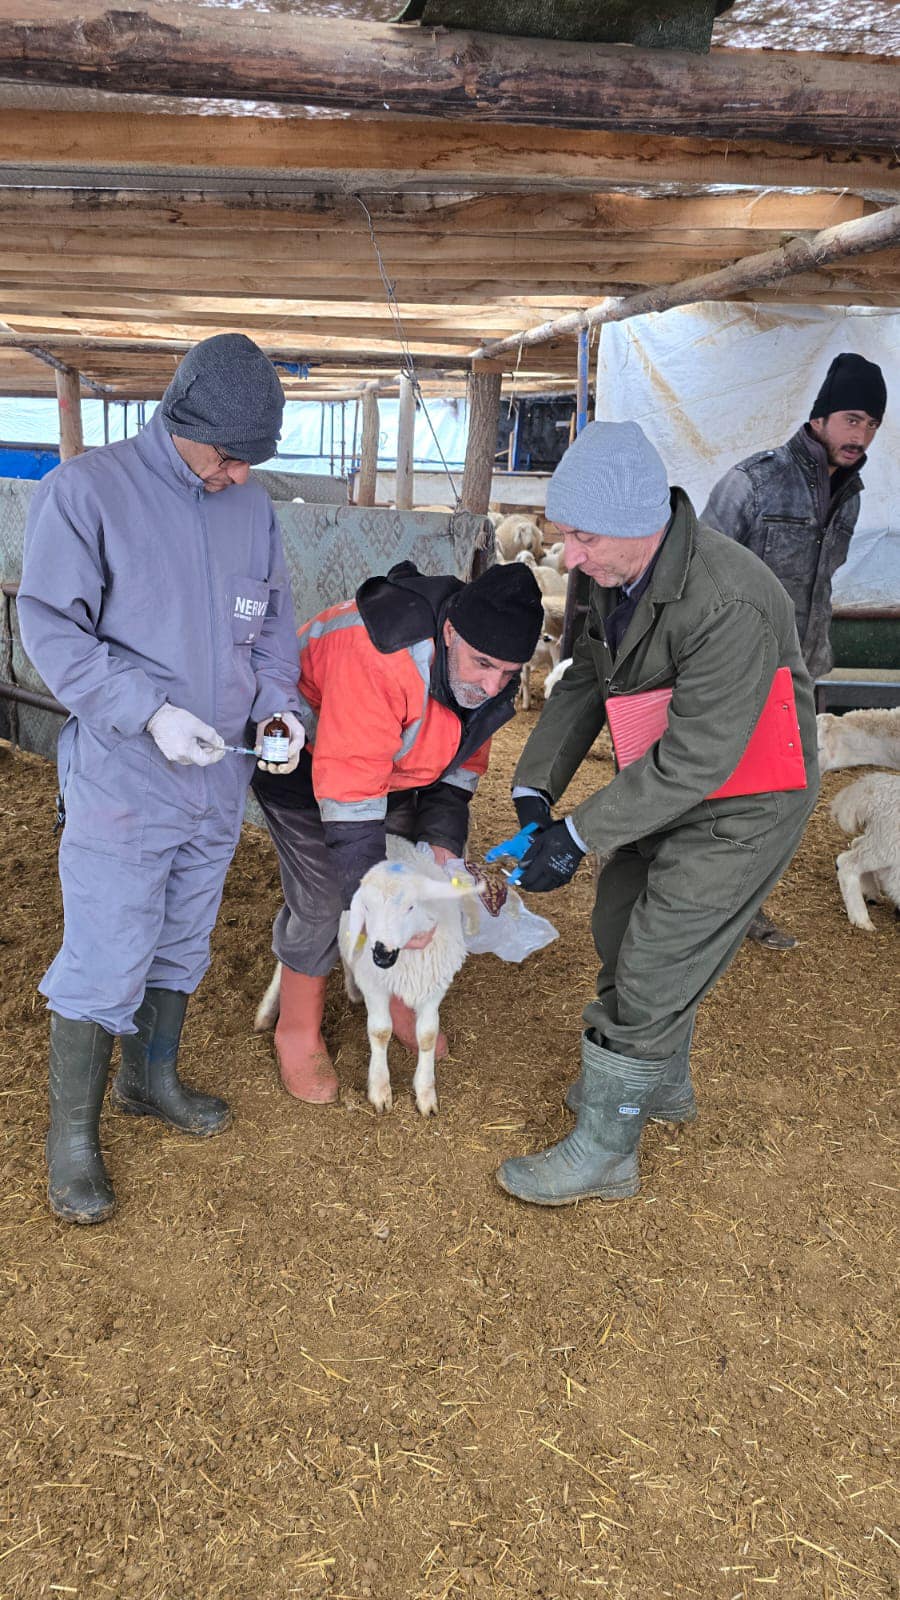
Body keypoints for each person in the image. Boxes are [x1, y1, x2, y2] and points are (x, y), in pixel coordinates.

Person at [494, 420, 819, 1209]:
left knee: (655, 957)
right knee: (619, 922)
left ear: (642, 524)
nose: (568, 556)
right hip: (662, 777)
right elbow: (582, 681)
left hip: (745, 796)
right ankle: (657, 1084)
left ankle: (609, 1152)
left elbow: (702, 759)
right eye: (564, 535)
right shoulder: (611, 570)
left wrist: (576, 835)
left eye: (581, 537)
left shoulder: (729, 600)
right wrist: (537, 787)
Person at [18, 333, 305, 1225]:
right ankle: (73, 1140)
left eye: (250, 462)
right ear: (178, 419)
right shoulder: (87, 494)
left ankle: (153, 1080)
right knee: (108, 948)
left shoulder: (249, 507)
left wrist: (277, 711)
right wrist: (145, 711)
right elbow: (53, 631)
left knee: (184, 934)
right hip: (126, 770)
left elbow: (272, 631)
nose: (235, 476)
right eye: (224, 457)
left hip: (217, 774)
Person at [252, 559, 543, 1102]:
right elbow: (350, 793)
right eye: (483, 665)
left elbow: (457, 774)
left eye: (508, 674)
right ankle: (297, 1024)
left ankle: (402, 997)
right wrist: (385, 900)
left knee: (418, 872)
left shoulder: (489, 672)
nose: (492, 685)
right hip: (305, 756)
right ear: (451, 633)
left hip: (400, 770)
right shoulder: (382, 656)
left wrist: (442, 853)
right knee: (322, 895)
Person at [702, 351, 886, 947]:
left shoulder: (850, 496)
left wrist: (812, 667)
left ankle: (744, 909)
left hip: (802, 673)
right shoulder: (752, 482)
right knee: (716, 788)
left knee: (775, 799)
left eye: (873, 425)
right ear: (821, 416)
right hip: (737, 669)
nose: (861, 435)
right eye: (852, 419)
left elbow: (822, 584)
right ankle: (691, 902)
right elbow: (699, 570)